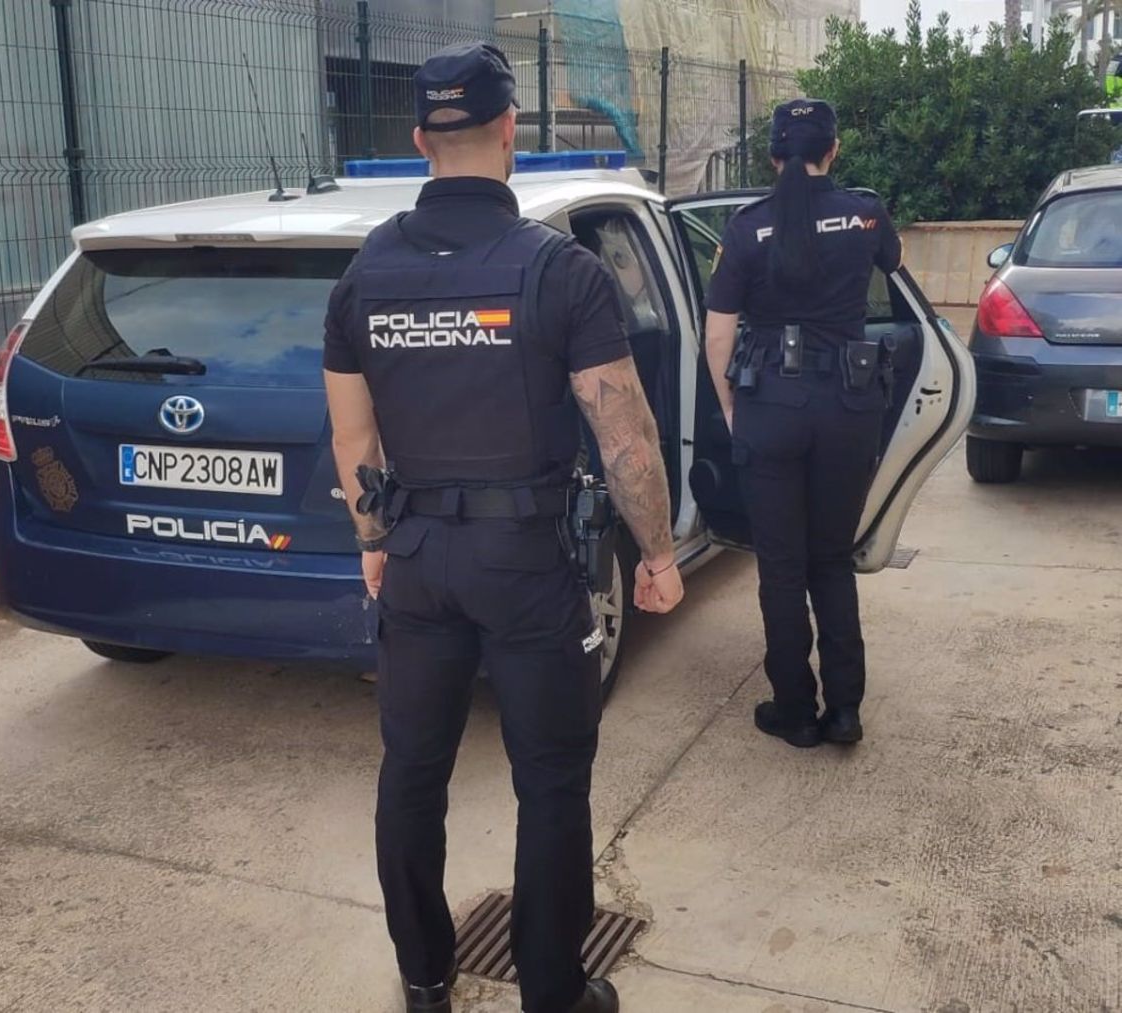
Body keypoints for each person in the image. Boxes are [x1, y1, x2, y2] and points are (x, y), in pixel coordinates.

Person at [322, 41, 684, 1013]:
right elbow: (625, 432)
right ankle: (554, 993)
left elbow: (352, 434)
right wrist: (654, 552)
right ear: (510, 132)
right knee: (553, 779)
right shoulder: (557, 270)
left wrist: (372, 543)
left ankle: (425, 977)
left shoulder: (366, 275)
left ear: (417, 140)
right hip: (527, 564)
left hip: (419, 561)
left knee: (412, 774)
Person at [702, 98, 902, 750]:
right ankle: (845, 710)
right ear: (834, 150)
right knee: (831, 561)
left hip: (772, 408)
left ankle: (796, 710)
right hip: (849, 406)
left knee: (782, 570)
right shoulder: (868, 211)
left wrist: (734, 411)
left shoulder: (746, 228)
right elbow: (893, 267)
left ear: (772, 157)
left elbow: (719, 337)